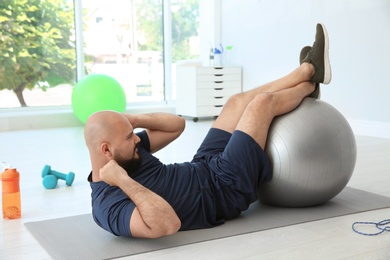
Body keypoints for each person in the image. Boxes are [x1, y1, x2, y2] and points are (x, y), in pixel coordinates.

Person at [85, 23, 331, 238]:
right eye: (129, 137)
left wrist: (133, 119)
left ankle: (305, 72)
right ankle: (309, 80)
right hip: (223, 189)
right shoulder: (107, 205)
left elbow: (177, 125)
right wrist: (123, 181)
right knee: (260, 105)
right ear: (106, 150)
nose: (136, 139)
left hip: (204, 166)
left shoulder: (129, 153)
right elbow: (167, 225)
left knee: (235, 101)